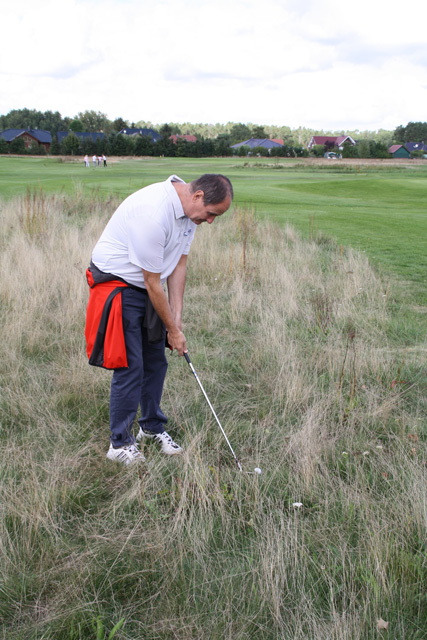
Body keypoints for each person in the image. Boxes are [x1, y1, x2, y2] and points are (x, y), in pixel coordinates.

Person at [85, 174, 233, 465]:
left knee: (155, 361)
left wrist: (176, 318)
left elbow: (179, 263)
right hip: (118, 283)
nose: (211, 221)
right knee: (130, 365)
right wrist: (172, 331)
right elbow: (152, 282)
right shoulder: (153, 213)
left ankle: (151, 427)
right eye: (211, 213)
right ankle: (119, 444)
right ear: (198, 196)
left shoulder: (190, 215)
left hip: (146, 284)